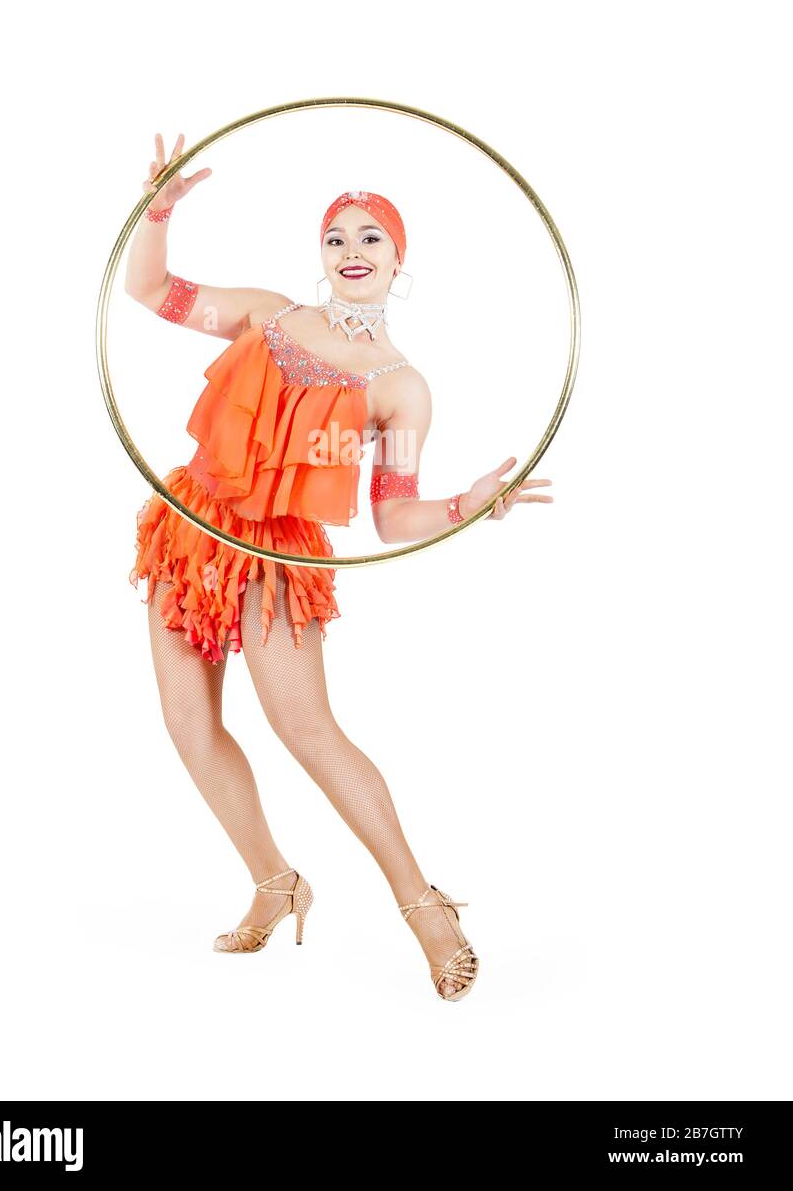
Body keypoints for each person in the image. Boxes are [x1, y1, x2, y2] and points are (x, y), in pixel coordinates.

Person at [125, 132, 554, 1001]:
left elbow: (395, 515)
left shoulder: (401, 387)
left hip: (278, 557)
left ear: (399, 258)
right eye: (337, 237)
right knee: (185, 723)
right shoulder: (268, 314)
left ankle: (423, 905)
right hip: (194, 523)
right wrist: (158, 211)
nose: (351, 252)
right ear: (319, 255)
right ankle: (275, 882)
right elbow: (149, 290)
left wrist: (469, 505)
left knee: (306, 729)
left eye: (370, 238)